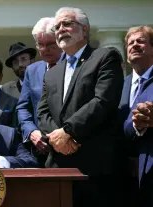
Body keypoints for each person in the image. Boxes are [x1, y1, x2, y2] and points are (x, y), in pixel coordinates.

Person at [37, 7, 124, 207]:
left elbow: (103, 101)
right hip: (59, 166)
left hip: (95, 166)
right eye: (57, 26)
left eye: (67, 24)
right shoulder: (52, 72)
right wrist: (57, 138)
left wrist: (68, 132)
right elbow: (42, 113)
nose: (60, 30)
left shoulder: (105, 57)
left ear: (85, 30)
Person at [16, 17, 62, 167]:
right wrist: (31, 132)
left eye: (50, 44)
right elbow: (23, 107)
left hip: (68, 144)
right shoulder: (32, 70)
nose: (45, 49)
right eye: (40, 45)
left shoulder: (72, 67)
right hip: (40, 149)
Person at [123, 25, 153, 207]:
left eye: (141, 41)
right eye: (130, 43)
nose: (134, 45)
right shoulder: (120, 84)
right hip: (121, 179)